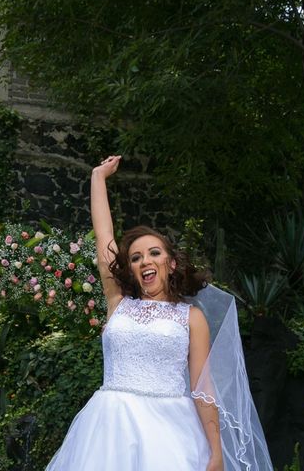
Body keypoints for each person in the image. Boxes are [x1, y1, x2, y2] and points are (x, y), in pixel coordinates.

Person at [46, 155, 272, 470]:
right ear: (131, 269)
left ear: (171, 262)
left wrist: (216, 450)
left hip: (170, 433)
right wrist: (97, 178)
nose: (145, 261)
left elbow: (203, 389)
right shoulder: (119, 302)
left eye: (154, 253)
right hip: (109, 429)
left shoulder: (190, 317)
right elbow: (104, 240)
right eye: (136, 257)